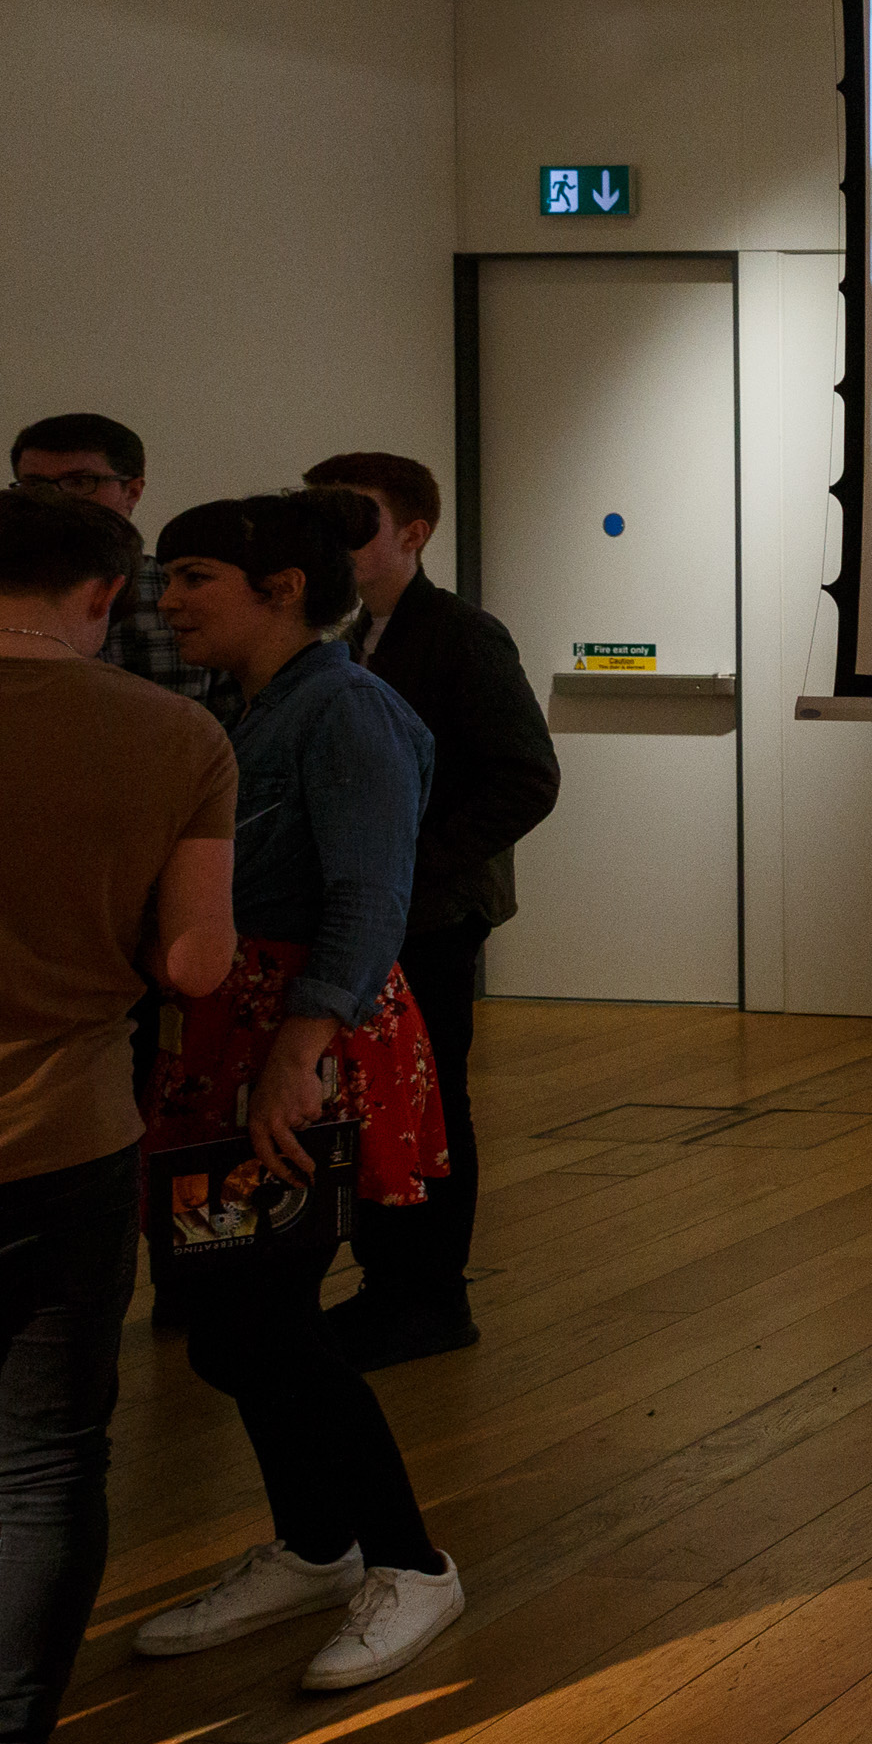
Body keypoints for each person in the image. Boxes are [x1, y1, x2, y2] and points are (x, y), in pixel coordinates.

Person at [0, 486, 238, 1744]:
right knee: (46, 1471)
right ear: (106, 595)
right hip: (61, 1139)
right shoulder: (176, 734)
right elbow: (195, 963)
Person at [131, 489, 468, 1687]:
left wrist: (294, 1054)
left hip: (304, 1039)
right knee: (229, 1323)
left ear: (278, 588)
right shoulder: (258, 704)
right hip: (247, 1031)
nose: (166, 603)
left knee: (263, 1317)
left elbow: (369, 898)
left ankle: (406, 1559)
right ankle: (316, 1541)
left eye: (192, 579)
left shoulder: (347, 710)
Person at [300, 453, 560, 1369]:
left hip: (433, 914)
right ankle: (394, 1288)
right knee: (382, 1099)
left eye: (353, 518)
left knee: (429, 1098)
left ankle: (428, 1296)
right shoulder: (340, 633)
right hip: (383, 908)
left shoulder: (459, 635)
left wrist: (408, 863)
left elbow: (526, 776)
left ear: (414, 533)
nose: (332, 535)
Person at [0, 415, 217, 707]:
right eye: (36, 484)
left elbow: (234, 731)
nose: (55, 498)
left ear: (132, 491)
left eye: (79, 482)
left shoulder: (184, 594)